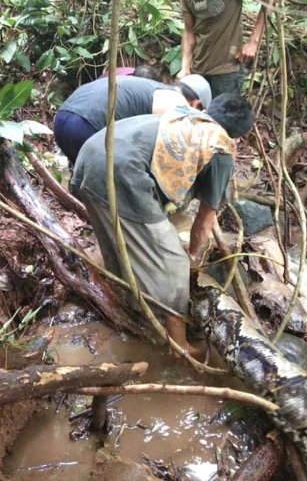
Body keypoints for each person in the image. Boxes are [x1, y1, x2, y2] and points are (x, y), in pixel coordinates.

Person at [71, 93, 254, 356]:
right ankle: (178, 344)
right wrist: (191, 256)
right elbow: (204, 220)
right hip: (120, 169)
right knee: (173, 263)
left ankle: (128, 304)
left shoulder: (187, 116)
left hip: (91, 152)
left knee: (119, 241)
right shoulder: (221, 147)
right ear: (239, 135)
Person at [54, 68, 212, 164]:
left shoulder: (155, 88)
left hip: (62, 118)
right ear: (196, 104)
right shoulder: (178, 103)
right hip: (87, 125)